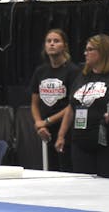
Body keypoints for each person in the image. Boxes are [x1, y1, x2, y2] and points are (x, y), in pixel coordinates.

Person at [55, 34, 109, 179]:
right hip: (80, 143)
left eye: (90, 49)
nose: (85, 53)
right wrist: (61, 135)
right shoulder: (82, 76)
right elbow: (71, 107)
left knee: (107, 187)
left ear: (103, 51)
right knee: (83, 188)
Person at [29, 29, 80, 172]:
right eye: (48, 41)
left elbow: (72, 104)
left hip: (65, 129)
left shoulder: (73, 71)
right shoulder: (40, 71)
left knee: (66, 170)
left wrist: (47, 121)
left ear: (64, 45)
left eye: (56, 41)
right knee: (50, 170)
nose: (52, 44)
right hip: (45, 131)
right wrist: (40, 124)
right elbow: (34, 102)